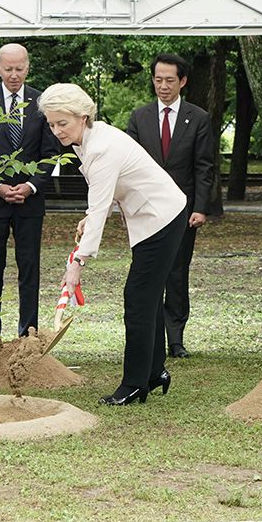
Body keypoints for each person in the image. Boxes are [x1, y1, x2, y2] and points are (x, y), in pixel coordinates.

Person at [38, 83, 186, 406]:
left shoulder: (101, 148)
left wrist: (76, 265)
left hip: (161, 217)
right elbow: (100, 199)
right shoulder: (88, 140)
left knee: (137, 297)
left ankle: (134, 385)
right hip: (152, 216)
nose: (56, 130)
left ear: (84, 116)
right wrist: (88, 216)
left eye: (62, 123)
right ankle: (154, 370)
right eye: (51, 123)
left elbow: (101, 208)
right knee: (145, 295)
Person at [0, 43, 60, 337]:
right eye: (8, 69)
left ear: (28, 67)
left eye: (19, 69)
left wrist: (30, 186)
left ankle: (27, 333)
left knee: (29, 268)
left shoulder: (42, 102)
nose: (14, 75)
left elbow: (50, 153)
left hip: (30, 203)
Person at [125, 53, 214, 358]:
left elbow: (204, 167)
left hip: (183, 211)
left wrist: (200, 207)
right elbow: (128, 165)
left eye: (169, 80)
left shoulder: (198, 118)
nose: (163, 86)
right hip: (145, 211)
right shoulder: (139, 118)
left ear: (183, 81)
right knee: (149, 273)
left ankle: (175, 338)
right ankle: (153, 338)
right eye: (158, 80)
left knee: (176, 273)